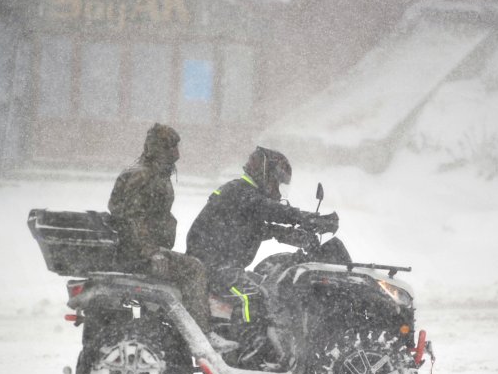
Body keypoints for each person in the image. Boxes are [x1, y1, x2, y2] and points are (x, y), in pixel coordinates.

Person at [108, 123, 236, 353]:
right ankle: (203, 335)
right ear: (157, 148)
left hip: (143, 249)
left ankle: (176, 331)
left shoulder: (152, 172)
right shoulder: (143, 175)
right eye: (171, 148)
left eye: (176, 147)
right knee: (195, 268)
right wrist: (151, 252)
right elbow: (132, 218)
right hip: (138, 253)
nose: (177, 154)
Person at [186, 147, 338, 324]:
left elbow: (256, 229)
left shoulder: (245, 197)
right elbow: (269, 210)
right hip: (213, 268)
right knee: (255, 297)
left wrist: (291, 235)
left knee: (270, 289)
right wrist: (308, 219)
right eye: (277, 183)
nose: (279, 191)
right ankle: (250, 344)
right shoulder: (239, 191)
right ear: (266, 175)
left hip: (223, 266)